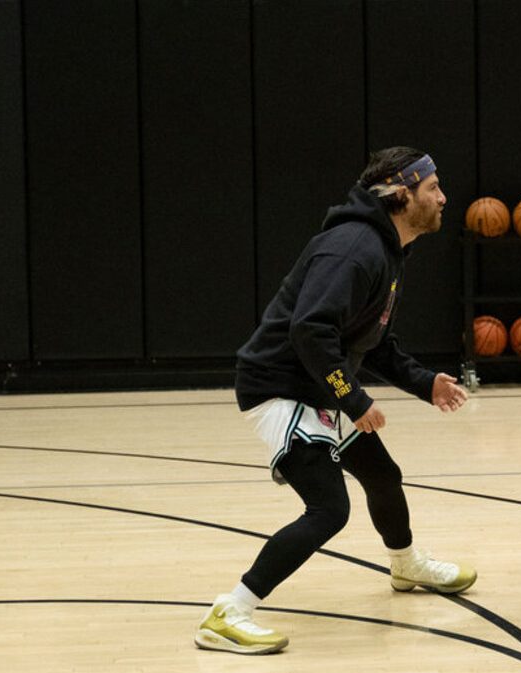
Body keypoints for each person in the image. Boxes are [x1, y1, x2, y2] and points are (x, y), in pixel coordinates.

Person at [195, 147, 475, 654]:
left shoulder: (386, 249)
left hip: (317, 383)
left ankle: (405, 563)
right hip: (280, 386)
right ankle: (229, 611)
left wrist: (423, 382)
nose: (443, 197)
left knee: (382, 475)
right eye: (432, 188)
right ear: (400, 192)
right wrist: (354, 400)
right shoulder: (355, 248)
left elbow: (372, 343)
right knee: (328, 509)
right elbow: (310, 330)